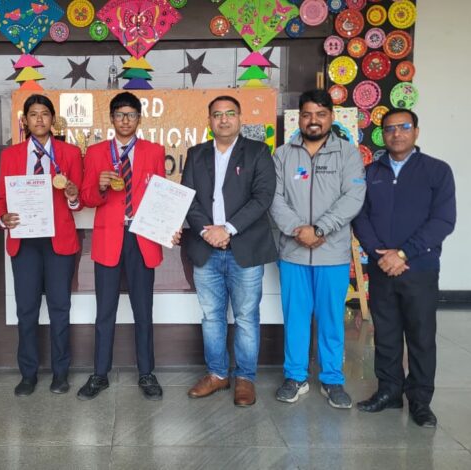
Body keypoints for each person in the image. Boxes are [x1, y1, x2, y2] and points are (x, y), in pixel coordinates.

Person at [352, 109, 456, 427]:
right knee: (385, 333)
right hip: (381, 267)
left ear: (416, 132)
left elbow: (443, 221)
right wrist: (380, 255)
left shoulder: (437, 171)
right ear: (382, 134)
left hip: (419, 267)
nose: (397, 133)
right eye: (390, 128)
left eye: (404, 127)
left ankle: (420, 401)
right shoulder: (370, 172)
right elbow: (360, 216)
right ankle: (389, 392)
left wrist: (402, 254)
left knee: (421, 336)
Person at [269, 89, 366, 409]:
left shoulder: (347, 154)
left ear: (331, 117)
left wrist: (321, 229)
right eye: (308, 114)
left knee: (330, 319)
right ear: (299, 118)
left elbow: (353, 197)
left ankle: (332, 379)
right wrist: (298, 230)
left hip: (332, 252)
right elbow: (274, 198)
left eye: (321, 114)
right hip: (293, 252)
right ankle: (295, 377)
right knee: (295, 318)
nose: (314, 120)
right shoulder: (283, 155)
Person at [180, 96, 277, 407]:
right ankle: (217, 374)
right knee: (212, 316)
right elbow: (189, 199)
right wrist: (208, 232)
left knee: (246, 316)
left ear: (240, 118)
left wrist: (228, 229)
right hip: (205, 248)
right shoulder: (196, 154)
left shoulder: (259, 152)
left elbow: (263, 197)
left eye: (230, 113)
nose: (223, 119)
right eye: (217, 114)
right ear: (209, 120)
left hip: (245, 248)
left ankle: (245, 378)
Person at [77, 91, 166, 401]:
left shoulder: (154, 151)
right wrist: (100, 186)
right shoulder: (96, 152)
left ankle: (147, 373)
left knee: (143, 310)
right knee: (105, 311)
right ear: (111, 119)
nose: (125, 120)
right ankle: (99, 374)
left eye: (131, 115)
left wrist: (167, 226)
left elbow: (161, 196)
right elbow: (87, 198)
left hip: (142, 237)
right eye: (119, 115)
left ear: (139, 119)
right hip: (108, 239)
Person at [0, 94, 83, 396]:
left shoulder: (70, 153)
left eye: (45, 114)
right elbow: (1, 199)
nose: (40, 119)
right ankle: (28, 374)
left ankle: (61, 373)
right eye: (33, 114)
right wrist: (3, 216)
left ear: (53, 119)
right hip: (25, 242)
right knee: (27, 310)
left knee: (60, 308)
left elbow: (78, 201)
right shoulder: (11, 155)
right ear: (25, 121)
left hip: (59, 242)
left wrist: (72, 195)